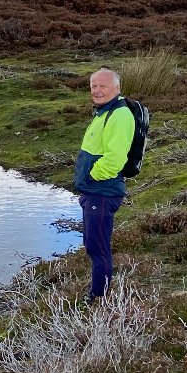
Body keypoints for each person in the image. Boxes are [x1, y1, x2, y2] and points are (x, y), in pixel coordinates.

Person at [74, 68, 134, 304]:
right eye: (93, 86)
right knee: (92, 244)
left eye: (103, 86)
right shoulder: (103, 112)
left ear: (117, 89)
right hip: (93, 192)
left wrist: (90, 177)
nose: (97, 91)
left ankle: (99, 299)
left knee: (98, 248)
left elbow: (114, 160)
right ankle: (99, 293)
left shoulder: (120, 116)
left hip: (102, 192)